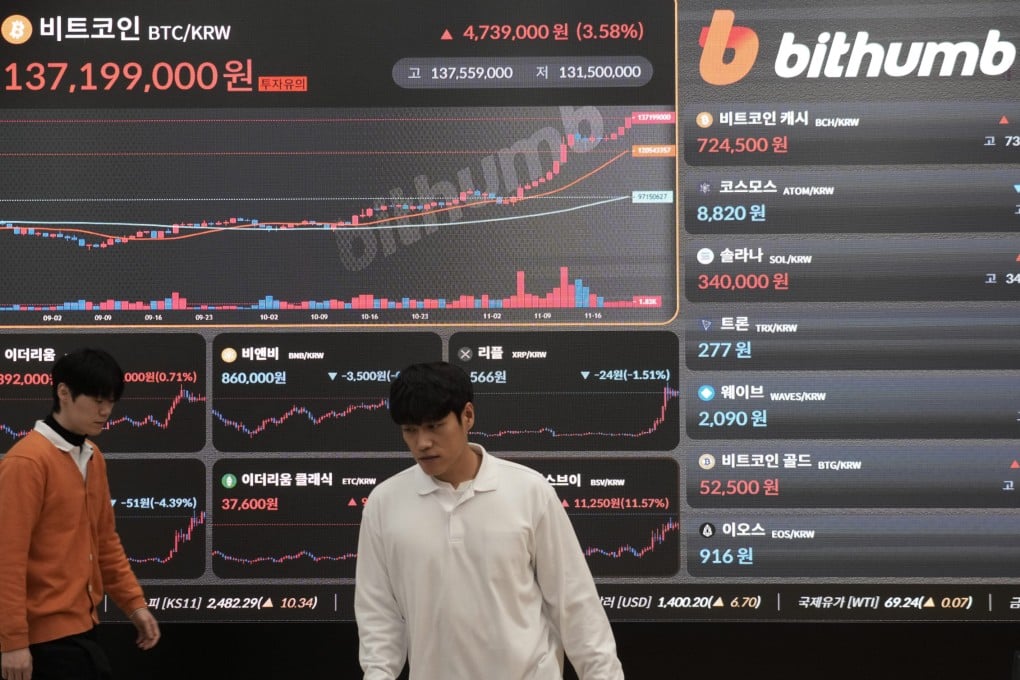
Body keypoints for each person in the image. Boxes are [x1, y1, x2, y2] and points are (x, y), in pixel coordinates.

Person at [355, 361, 624, 680]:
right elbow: (379, 617)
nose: (422, 443)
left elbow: (574, 603)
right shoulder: (385, 503)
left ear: (467, 415)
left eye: (435, 426)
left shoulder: (529, 490)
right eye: (410, 431)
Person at [0, 348, 160, 680]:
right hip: (41, 642)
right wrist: (13, 642)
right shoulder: (27, 462)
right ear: (63, 392)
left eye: (112, 401)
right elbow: (7, 559)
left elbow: (104, 541)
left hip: (82, 629)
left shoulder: (92, 457)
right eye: (98, 399)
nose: (106, 411)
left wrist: (134, 604)